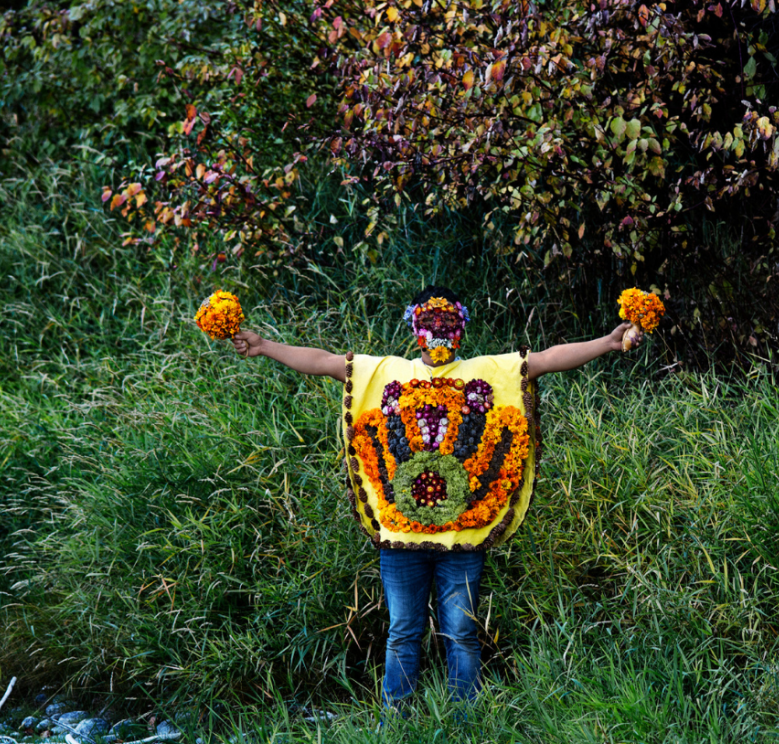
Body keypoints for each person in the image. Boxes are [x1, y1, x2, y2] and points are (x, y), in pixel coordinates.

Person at [231, 285, 637, 706]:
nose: (438, 332)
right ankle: (398, 725)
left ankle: (466, 722)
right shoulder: (387, 371)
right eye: (429, 323)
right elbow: (323, 361)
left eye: (447, 323)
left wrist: (608, 342)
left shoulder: (487, 370)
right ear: (414, 327)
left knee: (461, 632)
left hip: (463, 536)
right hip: (402, 539)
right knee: (403, 631)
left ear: (461, 327)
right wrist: (263, 345)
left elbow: (547, 359)